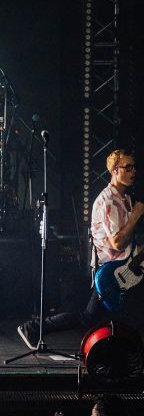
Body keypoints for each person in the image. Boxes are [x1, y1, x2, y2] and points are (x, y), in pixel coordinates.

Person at [18, 149, 144, 347]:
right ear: (114, 170)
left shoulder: (125, 199)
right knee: (88, 317)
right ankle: (33, 327)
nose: (133, 171)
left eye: (134, 167)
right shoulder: (108, 201)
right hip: (110, 271)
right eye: (127, 167)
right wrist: (136, 215)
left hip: (124, 268)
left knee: (94, 317)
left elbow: (127, 243)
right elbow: (117, 243)